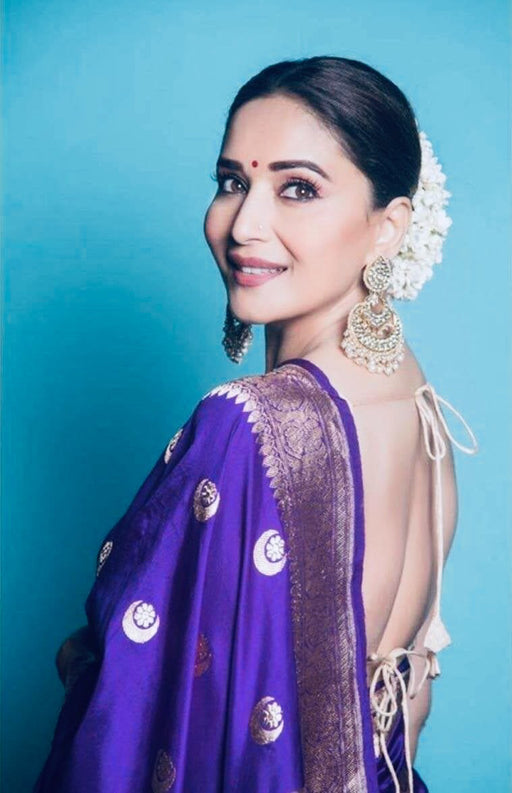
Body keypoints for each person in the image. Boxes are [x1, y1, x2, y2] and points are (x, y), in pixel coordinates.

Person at [32, 56, 478, 793]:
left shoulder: (250, 424)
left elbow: (132, 694)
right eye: (232, 182)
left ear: (389, 227)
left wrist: (81, 657)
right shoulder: (417, 400)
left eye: (298, 188)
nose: (243, 224)